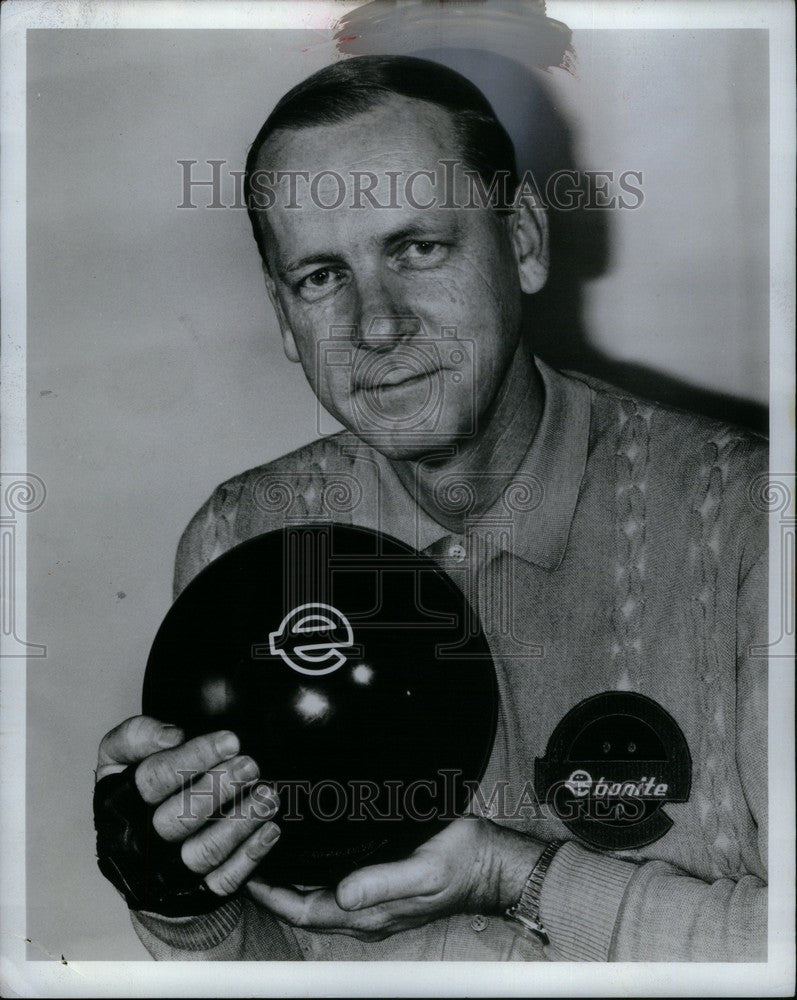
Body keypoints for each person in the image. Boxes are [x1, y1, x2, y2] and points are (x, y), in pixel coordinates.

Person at [94, 55, 767, 962]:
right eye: (322, 277)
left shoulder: (748, 527)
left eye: (417, 248)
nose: (377, 325)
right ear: (286, 320)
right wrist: (182, 897)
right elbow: (279, 963)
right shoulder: (241, 543)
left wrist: (517, 876)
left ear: (523, 241)